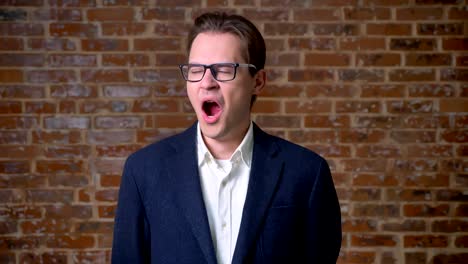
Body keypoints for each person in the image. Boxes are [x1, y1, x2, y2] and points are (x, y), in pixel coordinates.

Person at [112, 12, 342, 264]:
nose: (206, 82)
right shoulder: (143, 171)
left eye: (223, 69)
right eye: (196, 69)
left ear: (258, 81)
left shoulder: (307, 174)